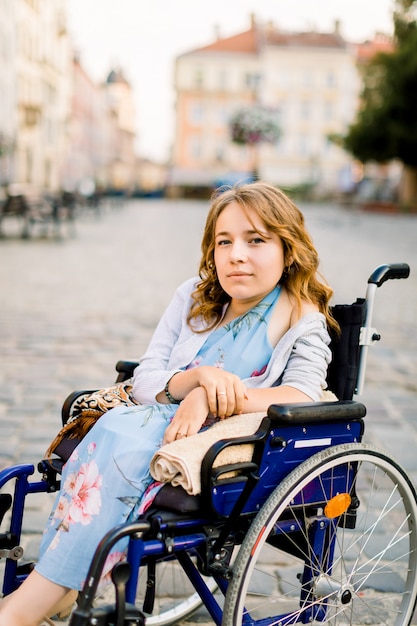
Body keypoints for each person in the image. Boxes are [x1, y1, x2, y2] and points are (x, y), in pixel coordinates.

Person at [0, 181, 338, 626]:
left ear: (288, 249)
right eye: (224, 241)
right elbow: (146, 378)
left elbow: (302, 394)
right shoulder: (192, 300)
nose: (237, 254)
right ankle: (58, 582)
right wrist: (194, 379)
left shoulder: (300, 318)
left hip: (213, 443)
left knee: (120, 448)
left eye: (256, 240)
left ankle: (29, 605)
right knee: (112, 436)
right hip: (148, 418)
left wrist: (212, 399)